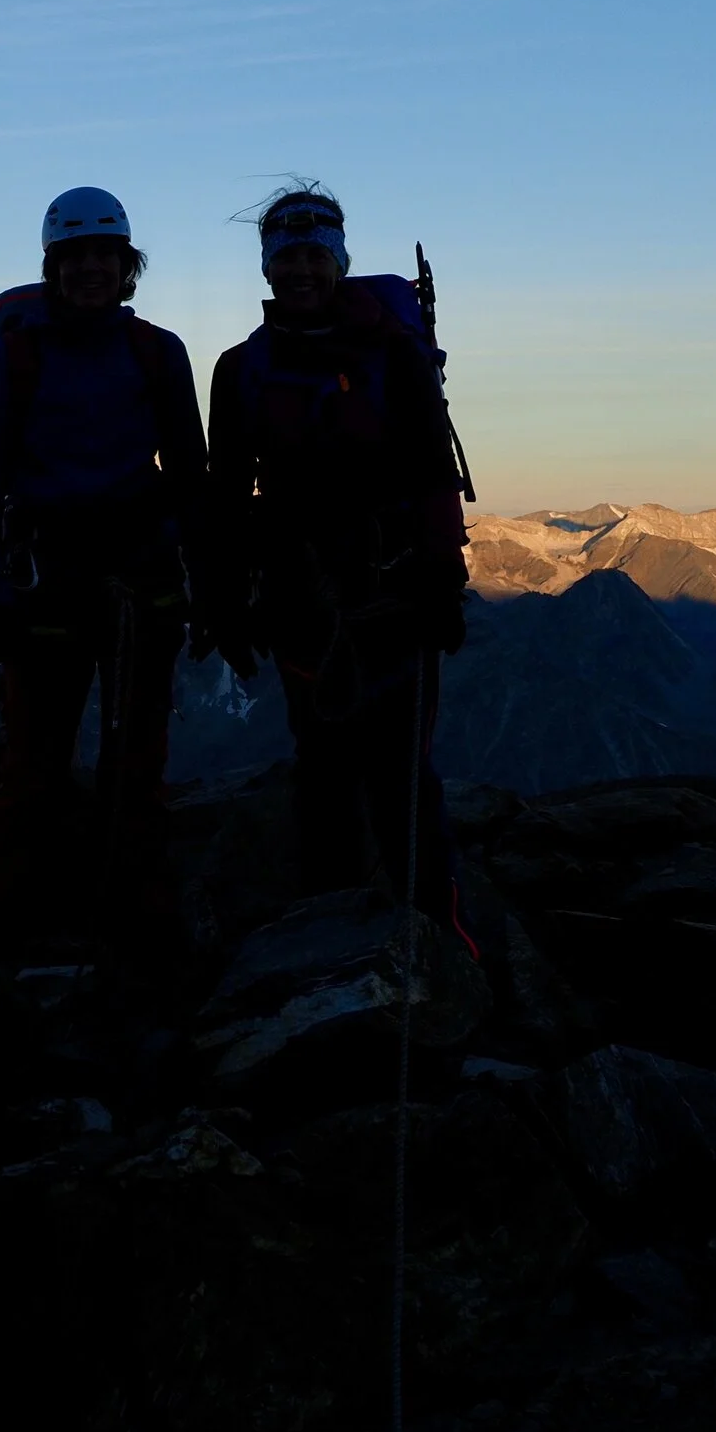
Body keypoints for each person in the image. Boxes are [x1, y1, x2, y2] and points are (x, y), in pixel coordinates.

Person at [201, 179, 470, 926]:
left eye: (316, 255)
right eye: (288, 257)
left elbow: (429, 470)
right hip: (306, 599)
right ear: (267, 268)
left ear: (339, 260)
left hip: (391, 590)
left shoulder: (391, 356)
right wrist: (223, 594)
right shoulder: (241, 369)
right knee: (326, 767)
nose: (302, 271)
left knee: (393, 773)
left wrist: (444, 573)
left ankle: (416, 935)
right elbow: (226, 495)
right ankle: (356, 935)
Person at [0, 186, 206, 942]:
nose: (93, 268)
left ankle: (115, 931)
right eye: (78, 256)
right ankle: (12, 935)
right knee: (35, 768)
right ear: (53, 267)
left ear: (127, 267)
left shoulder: (158, 354)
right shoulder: (15, 358)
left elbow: (192, 473)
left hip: (134, 578)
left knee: (132, 767)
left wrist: (212, 580)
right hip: (57, 584)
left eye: (106, 255)